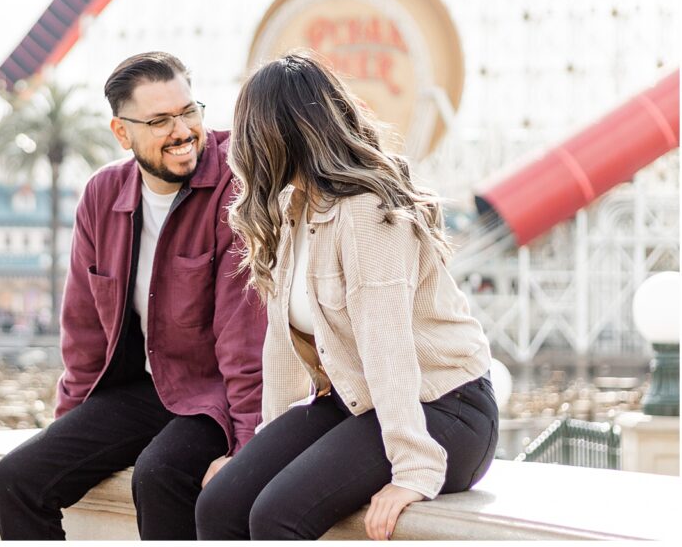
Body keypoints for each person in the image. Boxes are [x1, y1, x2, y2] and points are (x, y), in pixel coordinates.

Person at [195, 52, 498, 541]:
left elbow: (388, 346)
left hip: (444, 409)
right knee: (220, 504)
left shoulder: (366, 212)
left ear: (278, 135)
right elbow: (282, 350)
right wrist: (262, 451)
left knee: (276, 517)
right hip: (357, 402)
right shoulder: (293, 211)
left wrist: (413, 472)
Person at [0, 51, 265, 540]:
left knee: (160, 476)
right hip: (139, 390)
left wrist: (246, 448)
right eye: (160, 121)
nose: (182, 131)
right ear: (122, 132)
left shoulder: (235, 182)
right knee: (17, 480)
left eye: (189, 112)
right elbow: (83, 330)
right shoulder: (102, 195)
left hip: (212, 394)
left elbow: (243, 336)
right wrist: (70, 429)